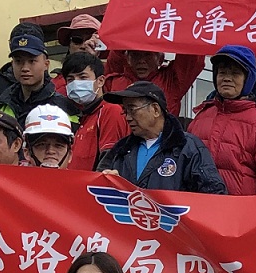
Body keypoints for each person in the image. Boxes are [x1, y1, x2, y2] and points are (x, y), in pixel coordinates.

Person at [97, 80, 227, 192]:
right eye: (125, 111)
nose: (127, 117)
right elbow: (98, 192)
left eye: (132, 110)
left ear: (155, 109)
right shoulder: (120, 150)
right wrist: (107, 182)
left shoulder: (188, 147)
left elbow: (213, 195)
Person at [188, 44, 256, 193]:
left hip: (243, 207)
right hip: (198, 207)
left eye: (235, 73)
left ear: (248, 79)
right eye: (222, 73)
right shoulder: (201, 116)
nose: (227, 78)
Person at [60, 49, 129, 170]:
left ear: (100, 81)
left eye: (83, 77)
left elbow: (109, 160)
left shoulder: (110, 111)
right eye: (70, 79)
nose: (76, 83)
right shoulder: (84, 116)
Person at [102, 42, 208, 119]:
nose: (141, 61)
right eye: (135, 55)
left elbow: (192, 57)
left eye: (148, 55)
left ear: (160, 59)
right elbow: (115, 54)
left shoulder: (171, 81)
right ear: (127, 59)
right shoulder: (114, 80)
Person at [0, 28, 59, 118]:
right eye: (18, 61)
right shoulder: (3, 106)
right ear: (12, 64)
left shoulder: (61, 107)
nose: (25, 68)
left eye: (32, 61)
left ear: (46, 64)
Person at [21, 104, 75, 169]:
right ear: (27, 153)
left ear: (70, 155)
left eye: (58, 145)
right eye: (42, 144)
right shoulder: (13, 175)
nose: (50, 151)